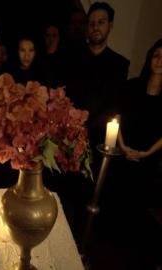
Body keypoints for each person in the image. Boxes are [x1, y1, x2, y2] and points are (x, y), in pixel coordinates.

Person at [66, 2, 130, 145]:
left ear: (110, 26)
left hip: (98, 139)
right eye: (92, 23)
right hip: (68, 134)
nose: (95, 27)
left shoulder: (120, 64)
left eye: (101, 22)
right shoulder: (72, 58)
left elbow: (114, 105)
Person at [116, 39, 162, 207]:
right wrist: (122, 145)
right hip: (122, 153)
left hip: (148, 160)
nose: (159, 61)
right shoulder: (133, 86)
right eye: (156, 55)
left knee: (136, 206)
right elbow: (117, 117)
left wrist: (147, 153)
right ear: (150, 58)